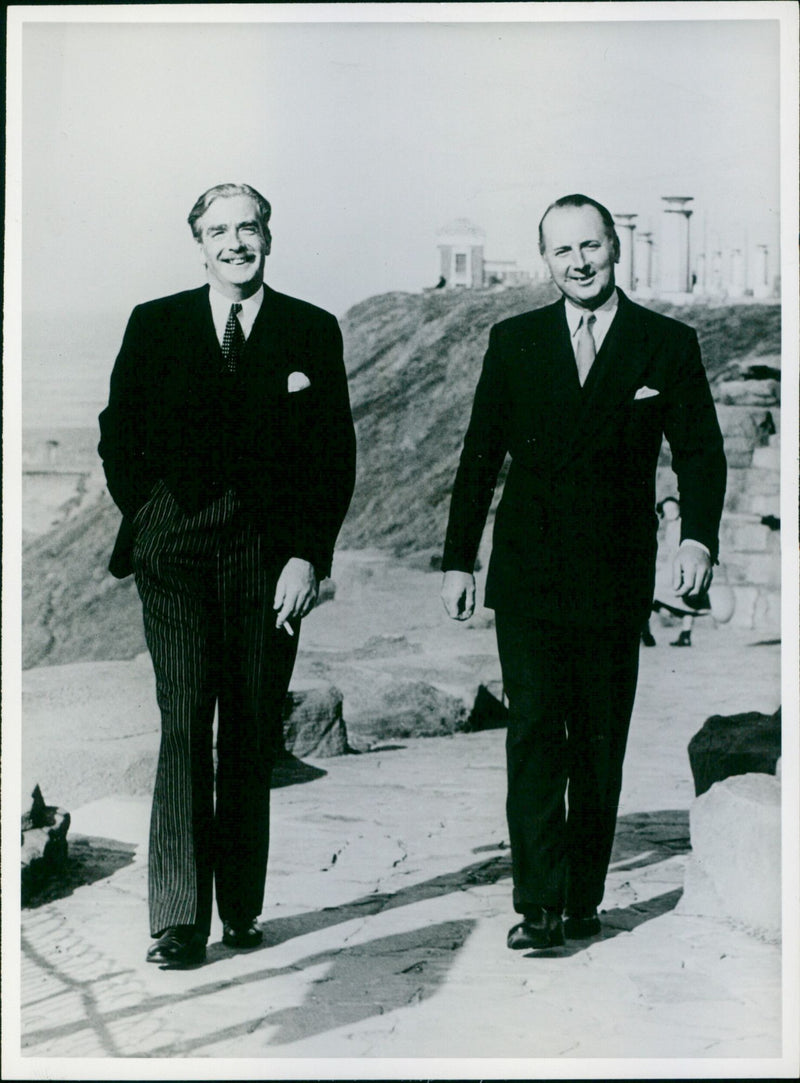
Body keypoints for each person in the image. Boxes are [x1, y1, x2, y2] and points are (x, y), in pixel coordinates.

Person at [440, 193, 726, 952]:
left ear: (614, 248)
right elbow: (479, 456)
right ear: (547, 260)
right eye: (563, 250)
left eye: (591, 245)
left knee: (598, 740)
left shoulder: (664, 342)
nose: (580, 261)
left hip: (612, 571)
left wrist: (696, 538)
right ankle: (537, 904)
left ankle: (583, 897)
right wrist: (457, 559)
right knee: (534, 733)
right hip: (529, 571)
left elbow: (700, 450)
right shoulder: (515, 339)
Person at [98, 183, 356, 967]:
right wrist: (147, 516)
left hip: (268, 556)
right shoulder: (156, 322)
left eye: (248, 228)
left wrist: (307, 555)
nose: (235, 242)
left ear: (268, 237)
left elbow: (333, 455)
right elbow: (119, 431)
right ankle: (178, 919)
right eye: (219, 231)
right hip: (173, 546)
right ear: (199, 245)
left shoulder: (311, 329)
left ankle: (240, 904)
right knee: (184, 721)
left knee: (249, 724)